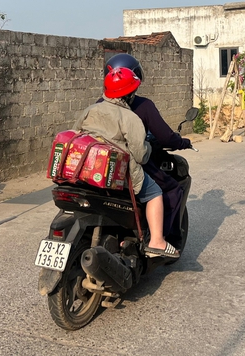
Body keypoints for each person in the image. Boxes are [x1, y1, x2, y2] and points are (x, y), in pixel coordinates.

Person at [73, 66, 179, 259]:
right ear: (129, 94)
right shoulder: (130, 118)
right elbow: (140, 155)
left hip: (86, 169)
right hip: (119, 174)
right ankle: (156, 241)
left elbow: (76, 135)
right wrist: (147, 146)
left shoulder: (90, 110)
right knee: (155, 193)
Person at [103, 54, 191, 242]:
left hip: (102, 164)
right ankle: (159, 240)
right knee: (168, 190)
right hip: (130, 164)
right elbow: (146, 149)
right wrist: (182, 142)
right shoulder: (139, 108)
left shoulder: (97, 107)